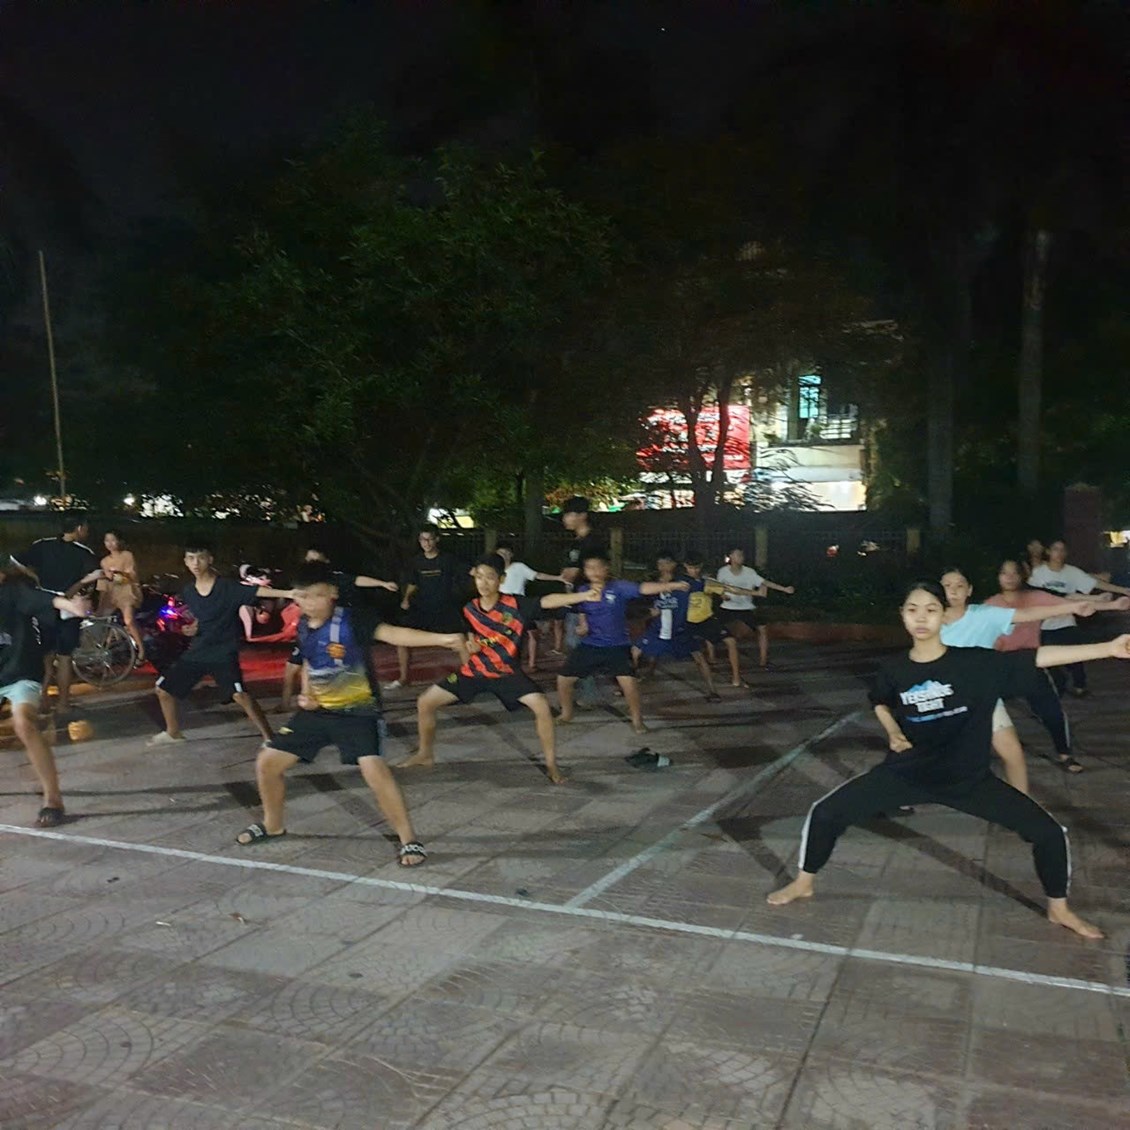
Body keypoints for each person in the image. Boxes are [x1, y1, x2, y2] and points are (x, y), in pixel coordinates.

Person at [767, 579, 1128, 940]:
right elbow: (879, 699)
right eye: (913, 610)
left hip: (968, 780)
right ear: (902, 616)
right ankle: (804, 882)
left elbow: (1037, 657)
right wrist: (892, 730)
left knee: (1049, 833)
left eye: (931, 609)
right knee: (825, 813)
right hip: (905, 775)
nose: (921, 617)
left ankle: (1059, 908)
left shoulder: (973, 664)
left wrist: (1109, 648)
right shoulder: (894, 669)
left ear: (944, 616)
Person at [234, 561, 465, 864]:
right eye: (302, 597)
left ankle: (409, 840)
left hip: (359, 712)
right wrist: (307, 693)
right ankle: (273, 825)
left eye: (316, 596)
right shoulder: (302, 625)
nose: (308, 603)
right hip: (319, 712)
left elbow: (394, 634)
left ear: (332, 593)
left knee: (374, 771)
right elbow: (309, 661)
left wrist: (444, 639)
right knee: (267, 762)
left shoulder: (353, 619)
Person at [397, 553, 597, 782]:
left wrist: (584, 595)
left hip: (507, 674)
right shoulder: (469, 608)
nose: (483, 583)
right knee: (425, 702)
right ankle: (425, 754)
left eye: (490, 577)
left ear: (501, 579)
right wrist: (469, 648)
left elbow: (548, 600)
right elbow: (468, 640)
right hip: (474, 672)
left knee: (541, 706)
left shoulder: (516, 605)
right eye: (479, 577)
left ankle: (552, 765)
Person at [939, 566, 1112, 786]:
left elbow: (1030, 613)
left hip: (991, 688)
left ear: (969, 590)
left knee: (1013, 749)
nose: (953, 590)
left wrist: (1076, 607)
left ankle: (1029, 794)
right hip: (947, 696)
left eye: (959, 585)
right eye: (947, 586)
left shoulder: (985, 613)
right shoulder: (932, 620)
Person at [985, 559, 1130, 773]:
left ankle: (1065, 754)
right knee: (980, 712)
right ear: (997, 577)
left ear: (1022, 575)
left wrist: (1112, 605)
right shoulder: (990, 605)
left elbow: (1068, 602)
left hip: (1033, 662)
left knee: (1052, 711)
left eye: (1014, 572)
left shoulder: (1036, 597)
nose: (1009, 577)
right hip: (999, 666)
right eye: (1004, 573)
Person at [148, 544, 280, 746]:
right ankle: (173, 733)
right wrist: (193, 628)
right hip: (198, 650)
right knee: (163, 689)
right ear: (185, 562)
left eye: (200, 558)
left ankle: (270, 738)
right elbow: (204, 617)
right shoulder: (189, 591)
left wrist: (291, 593)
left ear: (210, 559)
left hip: (223, 651)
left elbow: (258, 591)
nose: (196, 563)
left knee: (240, 695)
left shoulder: (227, 587)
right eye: (191, 558)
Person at [556, 550, 689, 734]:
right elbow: (582, 609)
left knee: (629, 685)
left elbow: (643, 588)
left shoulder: (619, 587)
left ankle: (637, 721)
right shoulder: (583, 590)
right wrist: (583, 624)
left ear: (606, 569)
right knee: (564, 680)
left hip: (618, 646)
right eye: (589, 568)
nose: (593, 571)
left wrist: (672, 585)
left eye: (597, 567)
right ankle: (566, 714)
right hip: (591, 644)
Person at [0, 567, 90, 826]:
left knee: (23, 723)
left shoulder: (14, 592)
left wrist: (72, 606)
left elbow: (49, 600)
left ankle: (53, 799)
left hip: (20, 671)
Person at [275, 548, 399, 712]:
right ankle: (291, 702)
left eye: (316, 559)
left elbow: (357, 580)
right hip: (314, 631)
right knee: (297, 665)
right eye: (309, 559)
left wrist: (382, 583)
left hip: (339, 635)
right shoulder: (303, 588)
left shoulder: (335, 581)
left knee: (355, 667)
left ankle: (368, 705)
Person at [10, 513, 102, 714]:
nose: (87, 532)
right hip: (68, 608)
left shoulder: (42, 545)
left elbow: (15, 559)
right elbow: (91, 578)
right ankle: (63, 704)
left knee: (44, 656)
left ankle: (42, 700)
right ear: (79, 528)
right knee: (65, 656)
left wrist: (35, 577)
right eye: (86, 528)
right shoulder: (84, 552)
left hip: (43, 606)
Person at [1029, 538, 1130, 697]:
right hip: (1043, 624)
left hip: (1066, 622)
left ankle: (1079, 685)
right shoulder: (1039, 573)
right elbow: (1051, 596)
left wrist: (1121, 590)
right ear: (1048, 551)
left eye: (1062, 550)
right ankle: (1057, 684)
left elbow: (1093, 583)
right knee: (1046, 659)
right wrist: (1097, 599)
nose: (1059, 553)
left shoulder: (1071, 572)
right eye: (1055, 549)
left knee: (1075, 656)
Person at [633, 550, 720, 701]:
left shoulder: (684, 582)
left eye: (667, 563)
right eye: (660, 563)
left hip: (680, 629)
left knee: (699, 658)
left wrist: (731, 590)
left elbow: (706, 585)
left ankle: (712, 691)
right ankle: (628, 685)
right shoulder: (653, 583)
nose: (663, 566)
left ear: (674, 564)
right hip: (658, 629)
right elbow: (644, 604)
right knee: (635, 652)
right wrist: (649, 613)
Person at [388, 527, 466, 689]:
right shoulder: (416, 561)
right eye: (423, 539)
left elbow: (467, 572)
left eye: (430, 539)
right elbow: (413, 582)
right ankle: (404, 678)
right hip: (422, 607)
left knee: (461, 641)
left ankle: (472, 677)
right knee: (401, 639)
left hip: (445, 607)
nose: (427, 543)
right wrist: (406, 599)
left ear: (437, 539)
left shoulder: (448, 559)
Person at [559, 497, 607, 705]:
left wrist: (585, 612)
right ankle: (586, 690)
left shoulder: (592, 543)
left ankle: (590, 694)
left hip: (586, 603)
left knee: (579, 647)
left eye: (568, 514)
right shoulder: (576, 542)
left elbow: (575, 575)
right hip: (575, 601)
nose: (565, 519)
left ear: (582, 516)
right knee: (575, 646)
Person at [717, 546, 794, 673]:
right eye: (738, 555)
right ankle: (711, 658)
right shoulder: (723, 571)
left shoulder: (749, 572)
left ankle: (763, 661)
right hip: (728, 607)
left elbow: (764, 582)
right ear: (730, 556)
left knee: (762, 629)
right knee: (712, 628)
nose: (741, 557)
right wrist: (722, 596)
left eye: (742, 555)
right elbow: (719, 587)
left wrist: (784, 589)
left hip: (746, 607)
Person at [493, 540, 564, 673]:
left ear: (511, 554)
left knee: (532, 633)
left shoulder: (519, 567)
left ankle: (532, 664)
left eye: (506, 553)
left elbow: (538, 575)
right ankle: (501, 663)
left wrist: (558, 578)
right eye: (501, 553)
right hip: (502, 607)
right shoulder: (494, 570)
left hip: (521, 605)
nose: (504, 556)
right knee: (503, 636)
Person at [683, 550, 744, 689]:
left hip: (706, 619)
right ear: (685, 566)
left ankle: (736, 677)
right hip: (687, 622)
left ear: (701, 566)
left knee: (731, 641)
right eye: (691, 568)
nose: (694, 571)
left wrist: (724, 596)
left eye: (697, 567)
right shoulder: (681, 582)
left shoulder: (707, 581)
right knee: (697, 654)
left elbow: (723, 591)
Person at [97, 529, 145, 659]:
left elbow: (132, 575)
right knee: (99, 621)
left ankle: (141, 650)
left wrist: (118, 574)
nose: (110, 543)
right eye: (107, 540)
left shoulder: (127, 555)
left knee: (128, 620)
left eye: (113, 540)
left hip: (127, 591)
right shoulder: (104, 561)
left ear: (119, 541)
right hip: (111, 593)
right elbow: (103, 584)